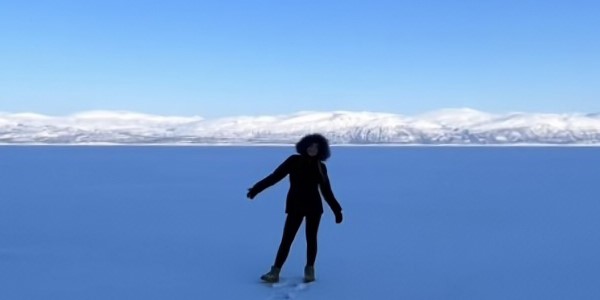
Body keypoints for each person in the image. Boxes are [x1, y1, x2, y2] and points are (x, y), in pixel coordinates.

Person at [247, 133, 343, 283]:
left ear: (321, 150)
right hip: (295, 206)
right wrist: (256, 189)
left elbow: (326, 191)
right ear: (304, 146)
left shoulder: (321, 167)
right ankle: (275, 272)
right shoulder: (294, 161)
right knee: (287, 240)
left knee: (311, 239)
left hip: (314, 208)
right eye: (310, 146)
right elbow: (275, 176)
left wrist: (337, 210)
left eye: (316, 147)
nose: (312, 149)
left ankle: (310, 270)